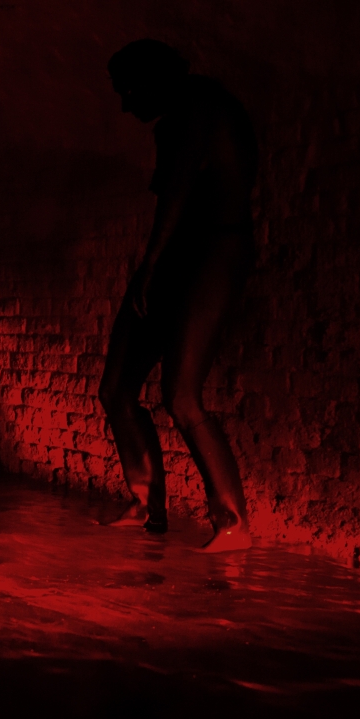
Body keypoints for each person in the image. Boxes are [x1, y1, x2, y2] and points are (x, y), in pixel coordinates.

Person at [98, 39, 258, 552]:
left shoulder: (201, 106)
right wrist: (154, 265)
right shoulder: (174, 120)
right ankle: (147, 504)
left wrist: (150, 264)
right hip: (177, 256)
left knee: (181, 394)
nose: (126, 106)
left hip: (215, 251)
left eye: (129, 92)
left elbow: (179, 192)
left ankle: (232, 522)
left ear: (155, 79)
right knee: (116, 388)